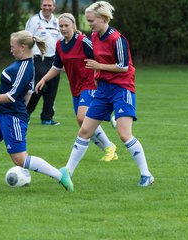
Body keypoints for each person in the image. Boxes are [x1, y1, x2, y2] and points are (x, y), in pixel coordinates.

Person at [0, 30, 73, 192]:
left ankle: (60, 175)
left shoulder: (24, 68)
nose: (11, 50)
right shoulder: (25, 64)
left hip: (12, 117)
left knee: (20, 160)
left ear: (23, 47)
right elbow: (28, 93)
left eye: (13, 47)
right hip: (1, 113)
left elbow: (12, 97)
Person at [63, 1, 154, 187]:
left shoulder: (117, 39)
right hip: (103, 89)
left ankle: (146, 175)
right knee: (85, 130)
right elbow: (97, 59)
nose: (90, 25)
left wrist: (99, 67)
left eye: (91, 21)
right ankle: (67, 172)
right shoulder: (95, 37)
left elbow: (123, 66)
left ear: (103, 19)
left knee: (124, 134)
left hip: (122, 88)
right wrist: (97, 75)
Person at [36, 13, 118, 162]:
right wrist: (44, 79)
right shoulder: (60, 45)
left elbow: (100, 57)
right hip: (75, 88)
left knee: (83, 117)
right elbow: (57, 66)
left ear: (74, 26)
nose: (63, 28)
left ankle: (110, 135)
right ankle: (109, 147)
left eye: (66, 25)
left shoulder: (83, 41)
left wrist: (100, 76)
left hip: (90, 84)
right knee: (83, 122)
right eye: (60, 26)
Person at [25, 0, 61, 125]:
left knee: (52, 87)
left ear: (54, 7)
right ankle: (26, 112)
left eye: (49, 5)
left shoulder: (57, 22)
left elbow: (61, 41)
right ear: (41, 6)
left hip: (54, 59)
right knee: (38, 86)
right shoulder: (34, 20)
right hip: (37, 58)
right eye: (44, 5)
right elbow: (27, 39)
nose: (47, 7)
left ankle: (47, 117)